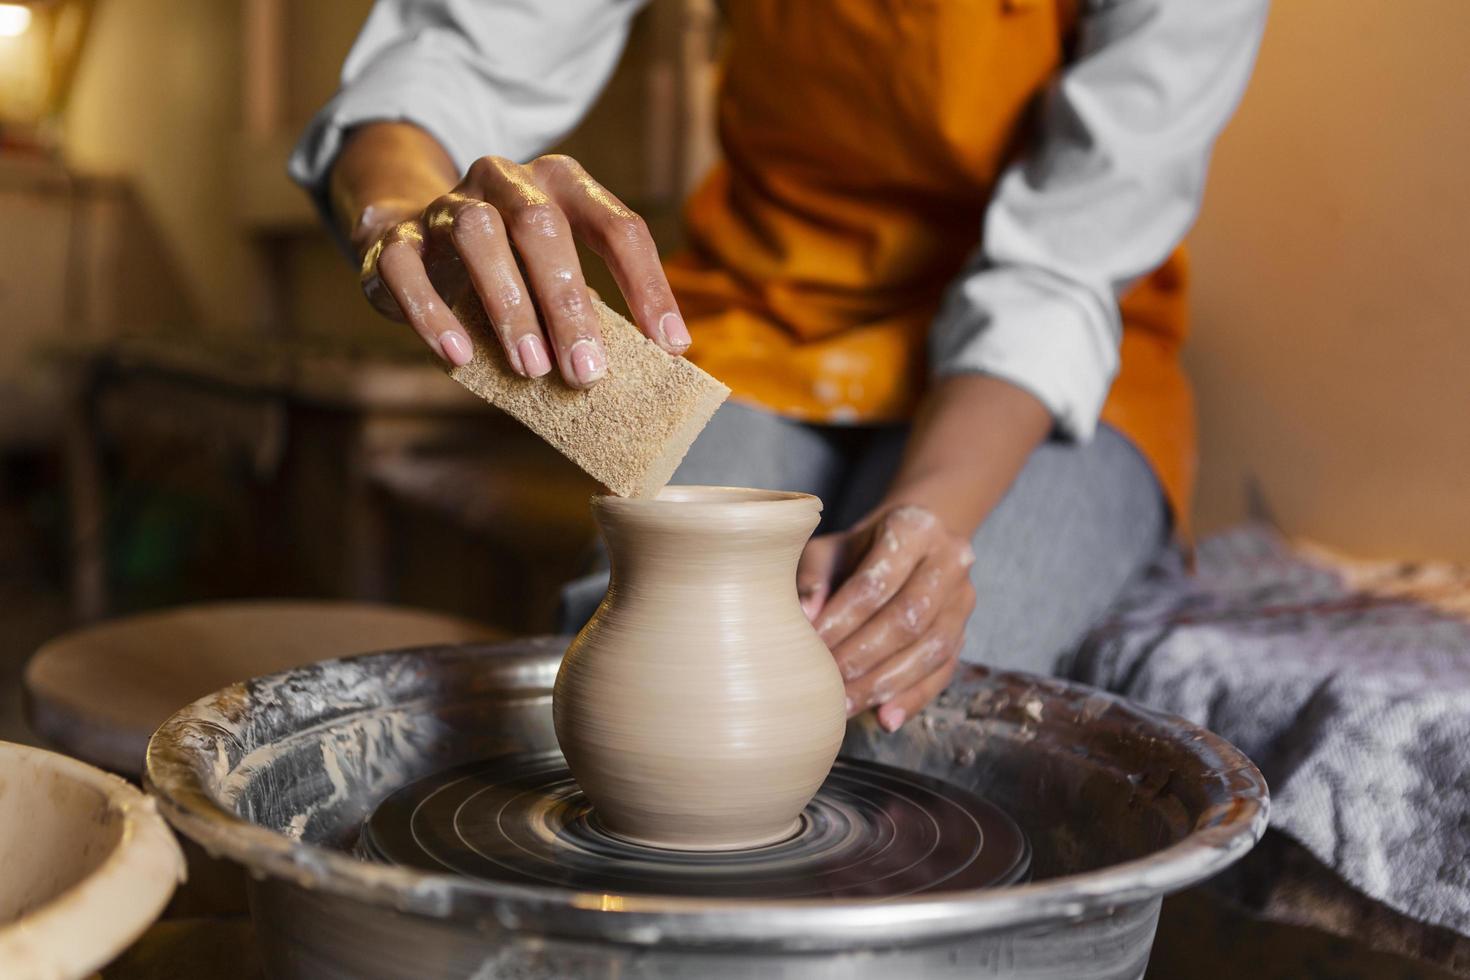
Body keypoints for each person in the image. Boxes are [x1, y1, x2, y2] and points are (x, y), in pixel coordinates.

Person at [292, 0, 1268, 732]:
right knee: (642, 665)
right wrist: (403, 208)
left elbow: (1061, 266)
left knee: (914, 709)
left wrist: (929, 520)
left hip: (1059, 360)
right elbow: (462, 50)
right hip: (769, 313)